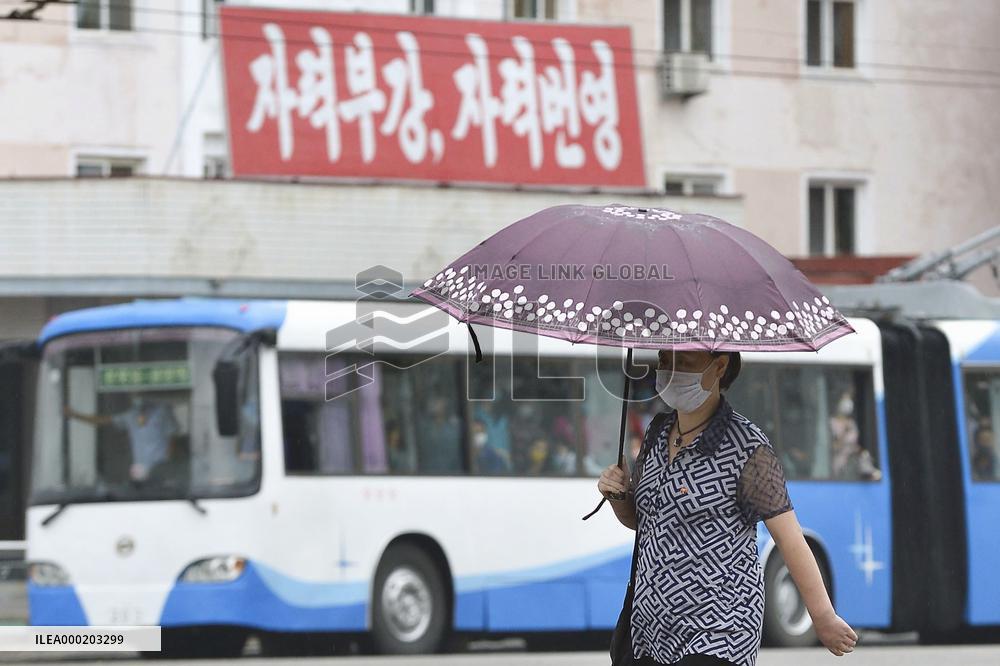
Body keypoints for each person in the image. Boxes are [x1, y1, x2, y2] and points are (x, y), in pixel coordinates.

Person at [598, 349, 857, 665]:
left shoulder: (747, 448)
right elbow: (647, 522)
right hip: (651, 635)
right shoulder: (656, 432)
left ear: (719, 366)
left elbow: (790, 539)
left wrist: (823, 616)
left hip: (717, 634)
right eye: (665, 361)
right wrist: (619, 496)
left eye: (686, 362)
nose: (670, 371)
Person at [65, 393, 180, 482]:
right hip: (140, 470)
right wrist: (75, 415)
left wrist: (168, 463)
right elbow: (102, 420)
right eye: (134, 394)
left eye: (139, 393)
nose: (136, 397)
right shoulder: (131, 415)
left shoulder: (163, 411)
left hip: (161, 469)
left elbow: (172, 438)